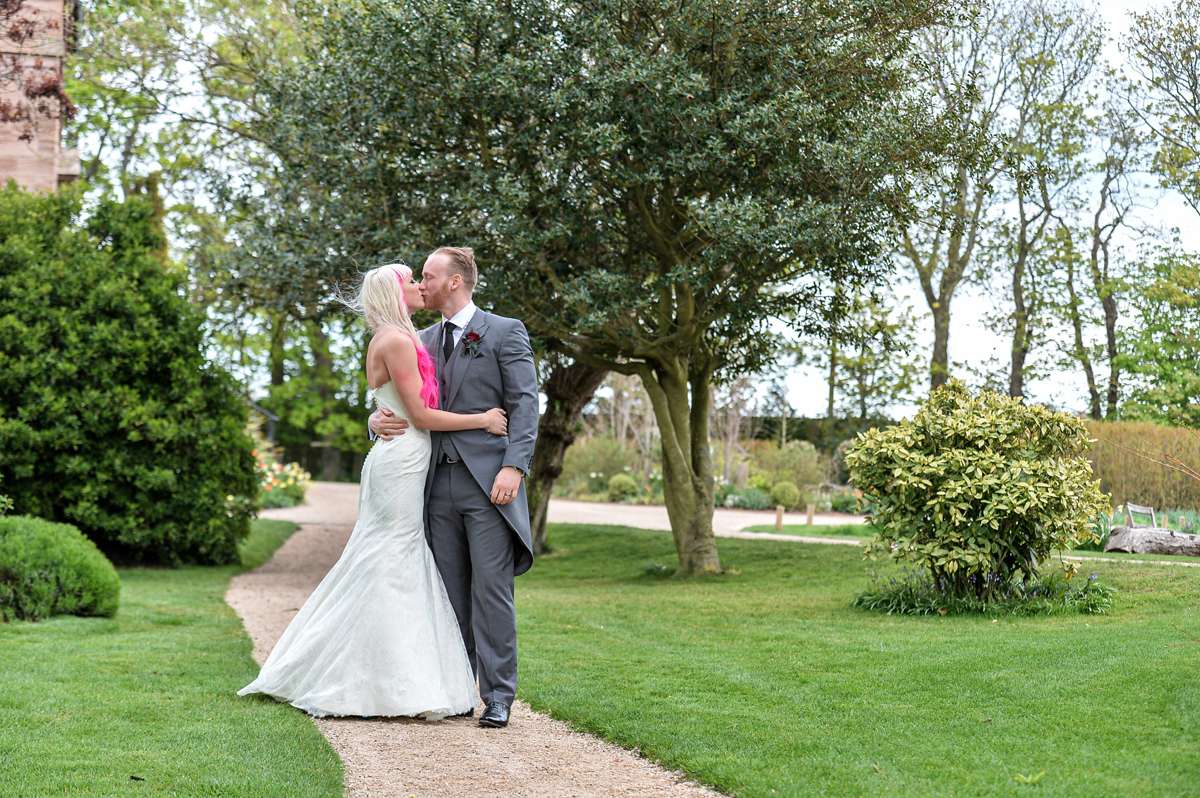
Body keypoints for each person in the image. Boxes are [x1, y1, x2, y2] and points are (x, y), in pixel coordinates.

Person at [237, 262, 508, 719]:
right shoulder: (398, 341)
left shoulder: (397, 337)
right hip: (402, 461)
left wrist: (375, 418)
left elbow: (390, 404)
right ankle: (380, 679)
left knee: (389, 555)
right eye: (411, 280)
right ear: (396, 293)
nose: (419, 286)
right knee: (391, 557)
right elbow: (420, 416)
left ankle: (388, 673)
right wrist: (482, 419)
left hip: (404, 457)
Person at [369, 246, 538, 729]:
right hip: (430, 485)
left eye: (428, 276)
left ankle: (498, 696)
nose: (421, 284)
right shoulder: (416, 338)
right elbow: (399, 403)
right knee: (446, 593)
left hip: (488, 485)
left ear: (455, 282)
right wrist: (374, 423)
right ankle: (457, 689)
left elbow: (525, 404)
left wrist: (514, 467)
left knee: (491, 591)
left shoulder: (504, 331)